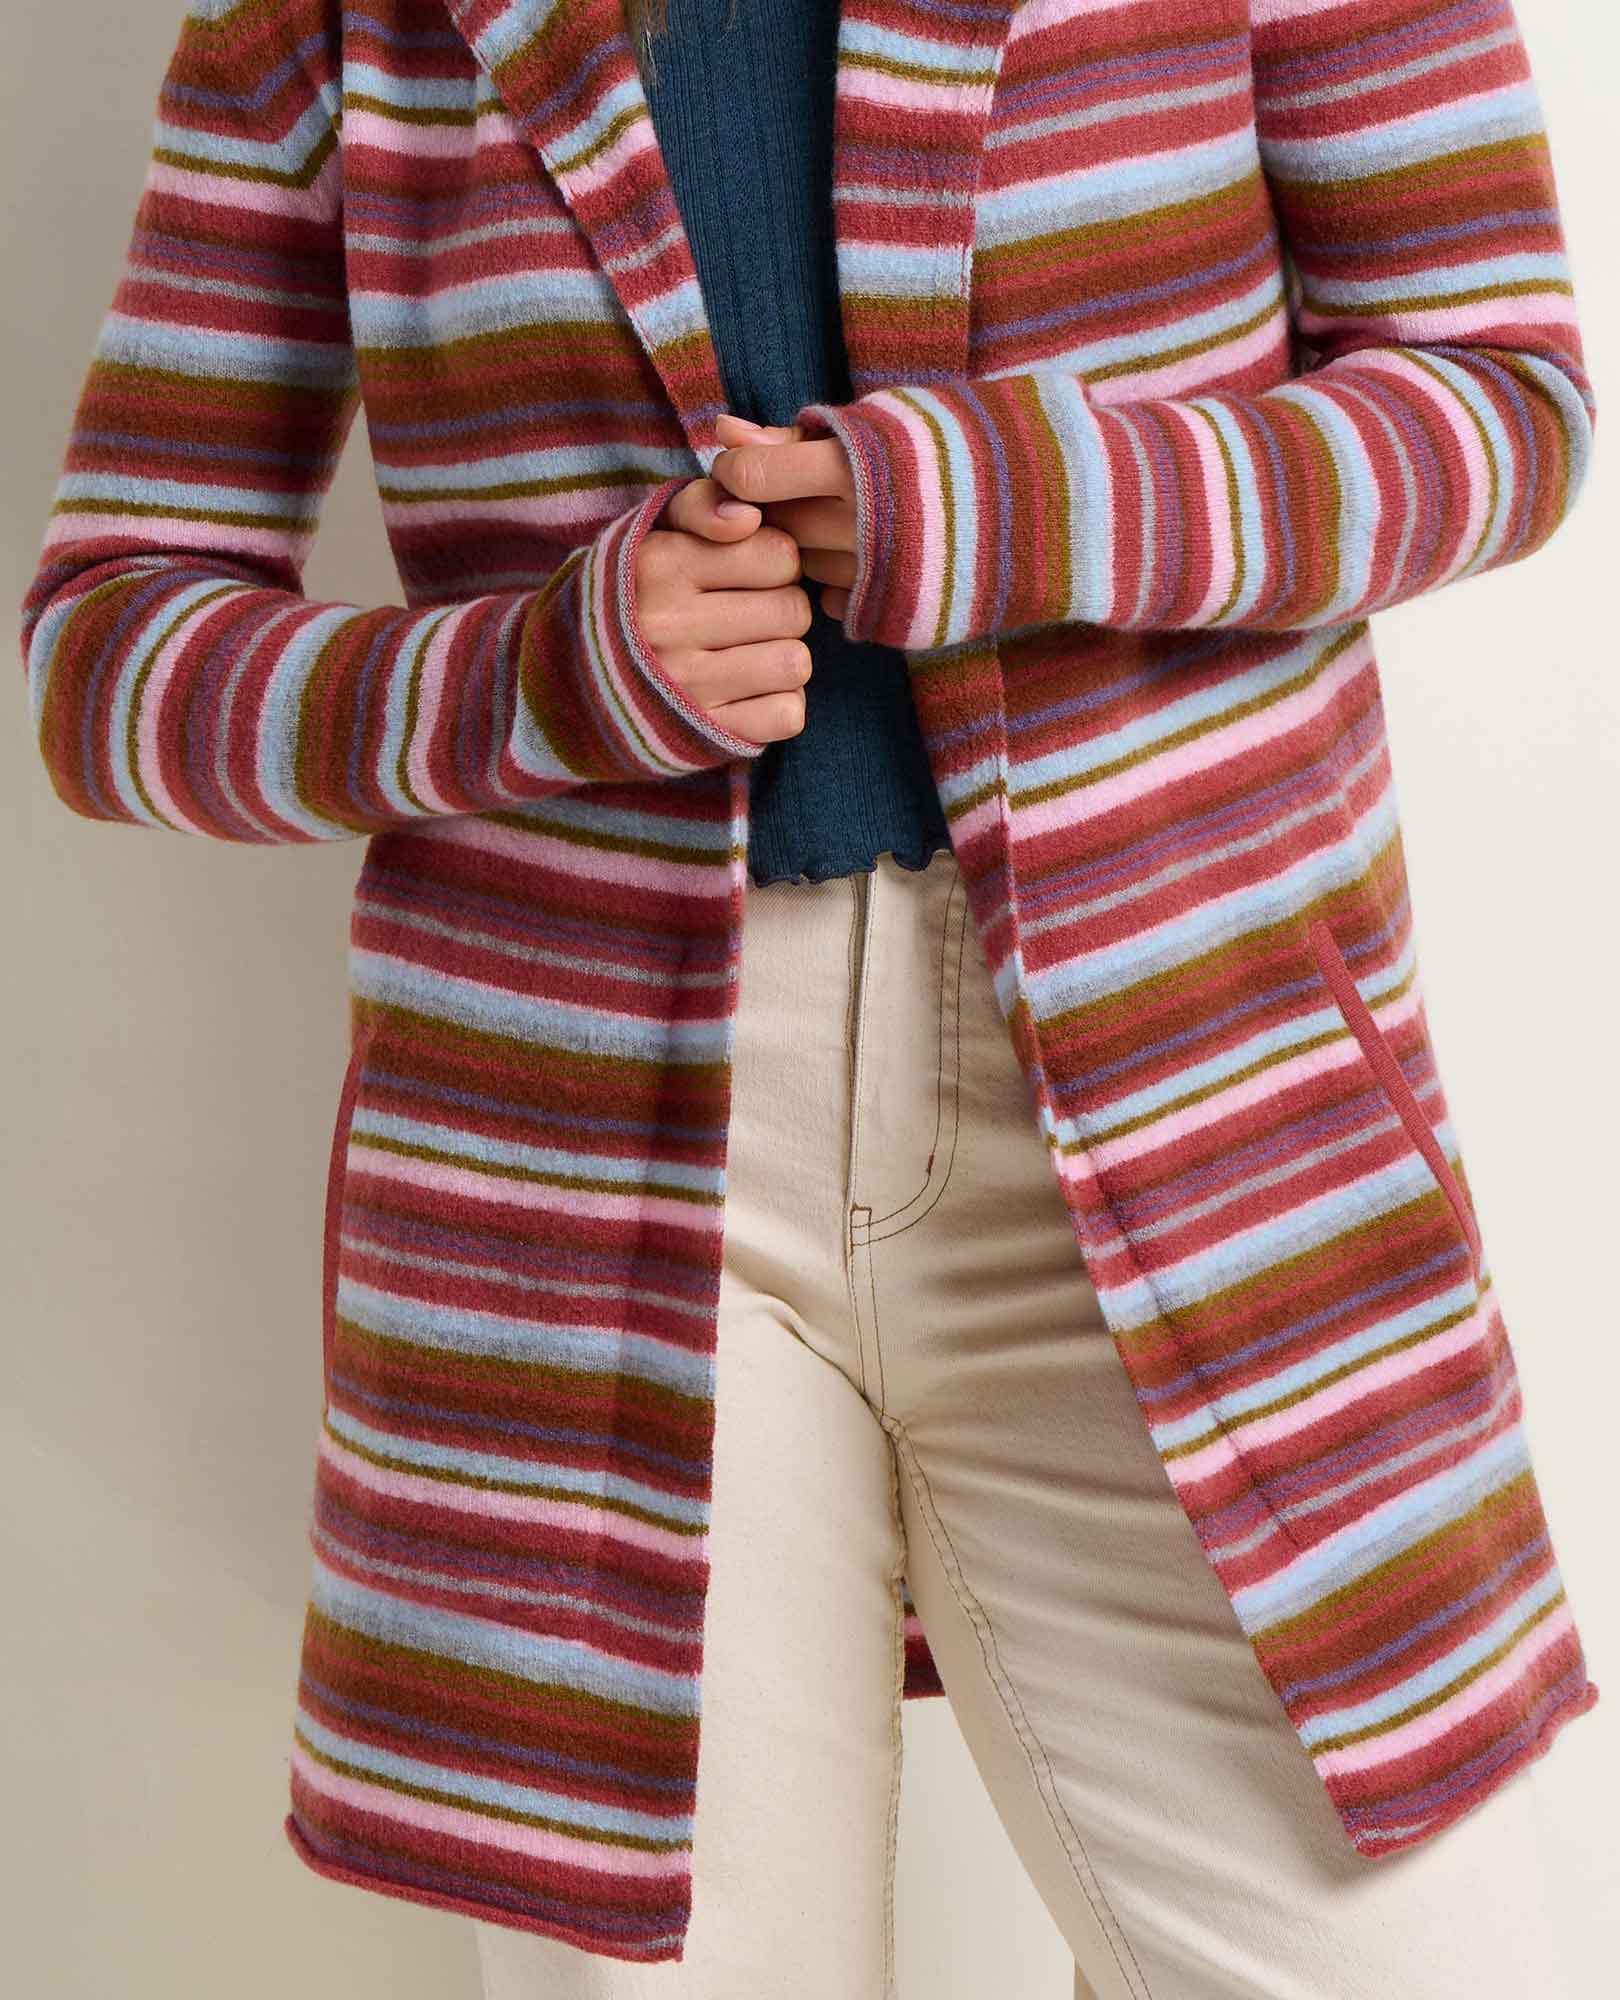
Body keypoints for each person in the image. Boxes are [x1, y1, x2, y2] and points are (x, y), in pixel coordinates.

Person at [18, 1, 1599, 1995]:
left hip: (1188, 1119)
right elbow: (109, 653)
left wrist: (1037, 495)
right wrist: (543, 675)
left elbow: (1503, 404)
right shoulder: (314, 28)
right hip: (592, 1203)